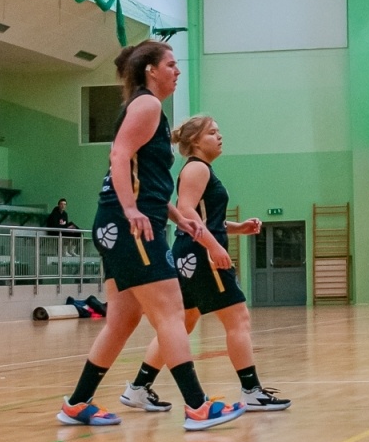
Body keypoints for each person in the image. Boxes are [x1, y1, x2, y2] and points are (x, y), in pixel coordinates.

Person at [55, 42, 242, 431]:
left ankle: (75, 404)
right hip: (128, 224)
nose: (176, 71)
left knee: (121, 320)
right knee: (171, 311)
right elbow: (119, 155)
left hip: (126, 221)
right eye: (171, 65)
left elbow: (148, 181)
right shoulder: (147, 105)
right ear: (150, 70)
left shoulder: (148, 108)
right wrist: (129, 209)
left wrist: (175, 216)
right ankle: (197, 406)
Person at [121, 115, 289, 414]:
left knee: (181, 323)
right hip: (200, 254)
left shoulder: (200, 169)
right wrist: (214, 247)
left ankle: (138, 388)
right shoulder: (197, 168)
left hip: (189, 252)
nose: (219, 136)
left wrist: (236, 228)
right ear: (196, 141)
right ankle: (251, 390)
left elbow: (203, 217)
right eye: (212, 132)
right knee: (238, 319)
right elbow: (185, 210)